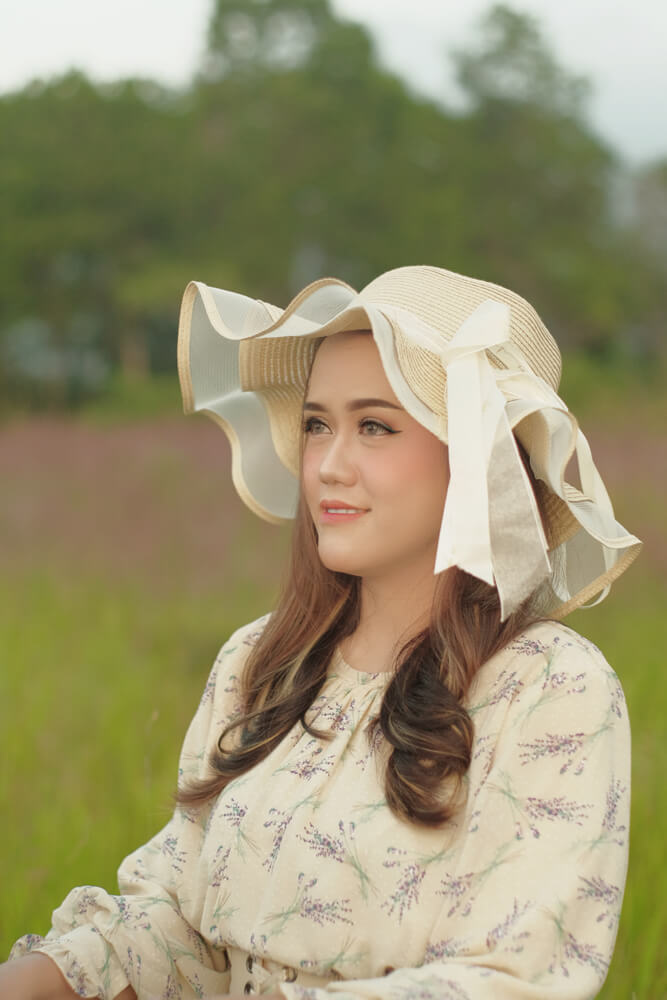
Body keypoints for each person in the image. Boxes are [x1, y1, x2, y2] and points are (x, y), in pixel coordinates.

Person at [2, 265, 641, 1000]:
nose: (328, 466)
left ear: (479, 459)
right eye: (316, 425)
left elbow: (508, 982)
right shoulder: (258, 661)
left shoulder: (551, 688)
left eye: (374, 426)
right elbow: (181, 926)